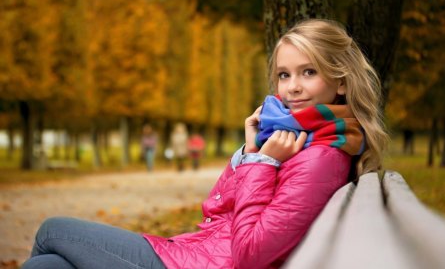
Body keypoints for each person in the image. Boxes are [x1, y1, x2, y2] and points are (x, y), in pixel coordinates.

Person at [22, 19, 388, 269]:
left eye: (309, 72)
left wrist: (262, 163)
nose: (292, 87)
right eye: (283, 75)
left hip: (207, 263)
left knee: (53, 231)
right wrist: (249, 153)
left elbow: (250, 254)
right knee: (48, 265)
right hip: (198, 255)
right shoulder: (301, 140)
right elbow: (215, 209)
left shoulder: (321, 157)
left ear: (340, 81)